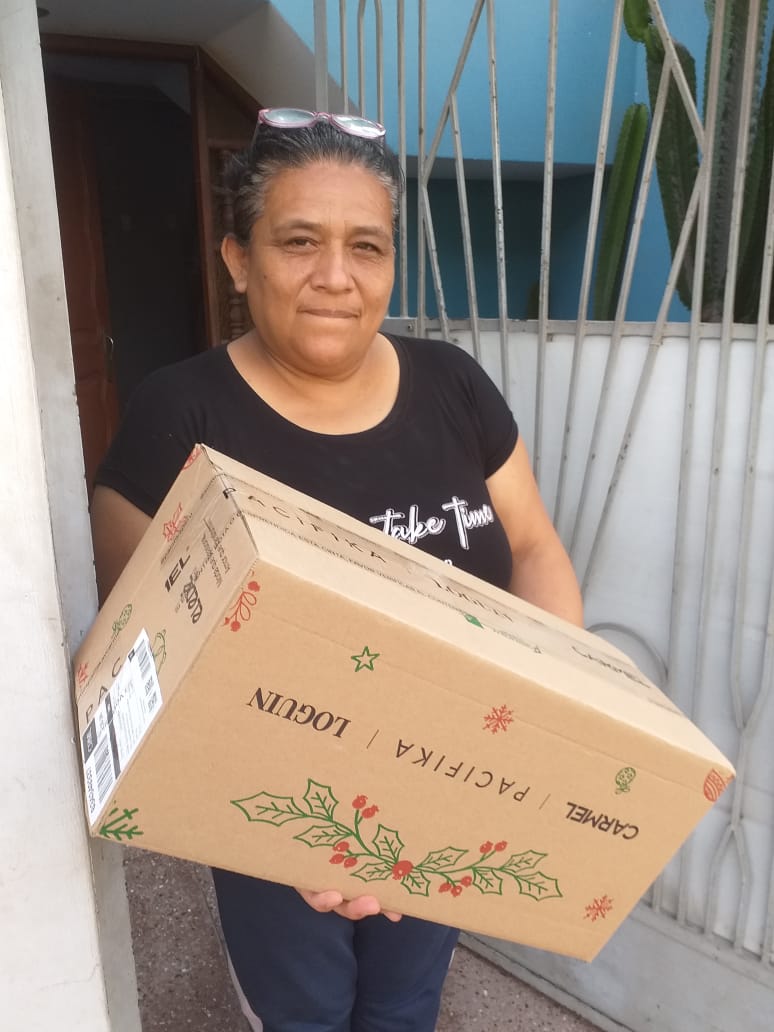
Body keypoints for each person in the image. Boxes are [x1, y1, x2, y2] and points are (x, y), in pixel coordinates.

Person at [90, 107, 584, 1032]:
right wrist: (291, 830)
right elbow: (136, 666)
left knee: (405, 1006)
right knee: (304, 1014)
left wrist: (537, 736)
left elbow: (531, 548)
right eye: (298, 241)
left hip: (447, 786)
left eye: (367, 246)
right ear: (239, 259)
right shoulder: (179, 415)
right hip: (272, 814)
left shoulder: (455, 386)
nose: (335, 276)